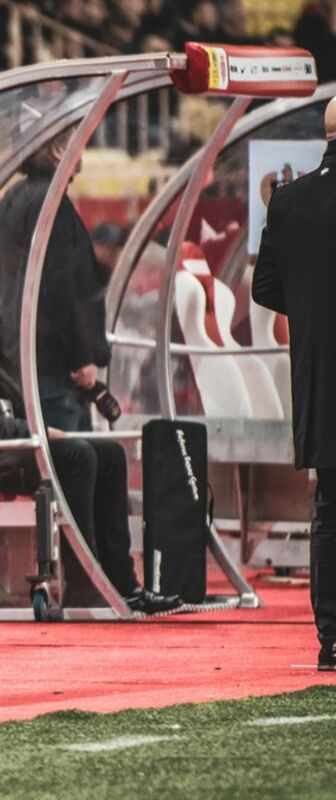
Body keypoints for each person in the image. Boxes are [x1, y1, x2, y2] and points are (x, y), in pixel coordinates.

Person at [0, 246, 180, 615]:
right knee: (75, 457)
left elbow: (13, 389)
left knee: (109, 455)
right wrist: (38, 434)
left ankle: (123, 584)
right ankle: (84, 586)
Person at [252, 96, 336, 671]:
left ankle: (332, 638)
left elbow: (265, 289)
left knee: (329, 507)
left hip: (320, 377)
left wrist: (312, 310)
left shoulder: (288, 201)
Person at [0, 129, 110, 432]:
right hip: (57, 368)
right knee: (71, 456)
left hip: (27, 355)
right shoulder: (51, 204)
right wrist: (80, 358)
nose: (82, 151)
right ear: (59, 151)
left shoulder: (14, 197)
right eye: (76, 143)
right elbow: (59, 288)